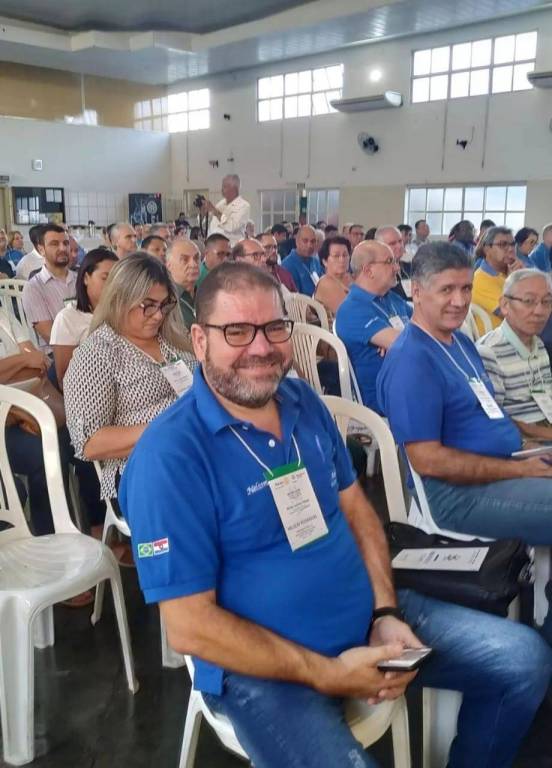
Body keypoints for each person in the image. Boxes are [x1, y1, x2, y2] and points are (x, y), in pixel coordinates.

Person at [121, 260, 551, 768]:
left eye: (274, 327)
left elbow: (358, 512)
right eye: (236, 331)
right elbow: (190, 627)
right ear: (199, 340)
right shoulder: (169, 456)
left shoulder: (301, 400)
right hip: (261, 668)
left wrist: (385, 612)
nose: (260, 347)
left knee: (524, 661)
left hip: (366, 616)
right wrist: (328, 673)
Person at [377, 241, 552, 545]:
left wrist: (531, 446)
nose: (459, 301)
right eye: (446, 290)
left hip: (507, 463)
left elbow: (488, 412)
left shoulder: (461, 342)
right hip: (457, 496)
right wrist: (518, 469)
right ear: (417, 292)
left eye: (466, 288)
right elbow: (428, 461)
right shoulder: (412, 360)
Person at [64, 253, 197, 502]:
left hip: (193, 449)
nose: (158, 315)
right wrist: (170, 427)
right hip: (142, 468)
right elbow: (90, 443)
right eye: (148, 305)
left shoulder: (172, 339)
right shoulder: (98, 353)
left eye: (164, 305)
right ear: (120, 300)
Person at [477, 268, 552, 440]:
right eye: (529, 301)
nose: (540, 311)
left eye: (547, 302)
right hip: (524, 442)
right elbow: (493, 418)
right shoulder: (490, 351)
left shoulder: (538, 343)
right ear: (505, 305)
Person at [336, 241, 411, 411]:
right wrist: (402, 339)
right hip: (387, 399)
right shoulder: (352, 309)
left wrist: (399, 339)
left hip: (411, 383)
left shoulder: (391, 298)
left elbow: (428, 326)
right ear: (368, 270)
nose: (397, 268)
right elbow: (410, 344)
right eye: (389, 262)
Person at [51, 248, 118, 388]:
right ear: (86, 278)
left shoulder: (124, 314)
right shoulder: (67, 318)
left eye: (117, 279)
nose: (112, 285)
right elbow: (64, 379)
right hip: (89, 390)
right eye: (105, 278)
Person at [22, 224, 77, 346]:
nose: (62, 248)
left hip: (89, 348)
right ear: (41, 250)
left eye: (66, 243)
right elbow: (50, 336)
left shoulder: (81, 280)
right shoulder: (33, 287)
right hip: (56, 352)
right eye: (54, 244)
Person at [472, 226, 517, 333]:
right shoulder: (481, 280)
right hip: (500, 338)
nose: (510, 249)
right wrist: (517, 281)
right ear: (487, 249)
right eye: (503, 244)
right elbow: (513, 314)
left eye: (512, 244)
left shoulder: (509, 272)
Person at [203, 174, 251, 246]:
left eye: (224, 186)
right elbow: (208, 223)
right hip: (214, 245)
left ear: (234, 188)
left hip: (231, 247)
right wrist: (203, 212)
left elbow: (231, 227)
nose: (222, 189)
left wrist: (214, 211)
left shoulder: (244, 206)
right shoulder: (221, 203)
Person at [314, 236, 352, 323]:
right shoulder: (326, 283)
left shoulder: (351, 278)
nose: (342, 260)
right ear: (325, 261)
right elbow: (349, 313)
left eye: (345, 255)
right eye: (336, 256)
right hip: (339, 329)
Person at [165, 239, 201, 330]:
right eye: (185, 260)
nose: (193, 264)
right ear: (168, 265)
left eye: (196, 258)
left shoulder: (207, 294)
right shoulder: (165, 300)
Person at [281, 225, 324, 296]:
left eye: (313, 241)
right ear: (297, 241)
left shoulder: (315, 261)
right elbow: (293, 298)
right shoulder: (287, 265)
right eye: (305, 241)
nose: (309, 245)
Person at [375, 225, 410, 299]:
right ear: (380, 246)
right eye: (392, 243)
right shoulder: (378, 273)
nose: (399, 246)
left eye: (400, 241)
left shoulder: (410, 267)